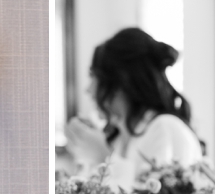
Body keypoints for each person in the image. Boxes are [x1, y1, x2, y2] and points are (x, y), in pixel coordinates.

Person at [64, 25, 203, 185]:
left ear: (119, 83)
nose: (88, 90)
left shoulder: (165, 129)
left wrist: (104, 157)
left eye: (94, 77)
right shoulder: (119, 137)